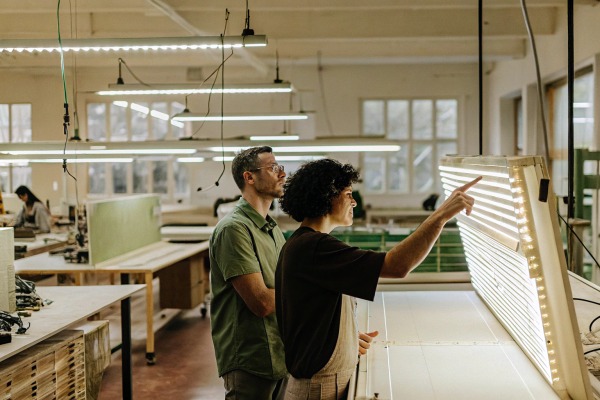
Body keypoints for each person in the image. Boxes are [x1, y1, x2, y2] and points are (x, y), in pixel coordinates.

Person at [275, 159, 480, 400]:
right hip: (317, 390)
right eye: (348, 194)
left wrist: (345, 339)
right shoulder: (314, 246)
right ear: (327, 196)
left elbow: (311, 314)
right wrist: (441, 216)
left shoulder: (306, 243)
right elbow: (397, 266)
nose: (353, 202)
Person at [209, 146, 288, 400]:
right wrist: (310, 294)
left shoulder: (273, 229)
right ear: (249, 177)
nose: (282, 174)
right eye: (273, 167)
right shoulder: (234, 230)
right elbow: (262, 302)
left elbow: (285, 287)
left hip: (279, 353)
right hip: (250, 359)